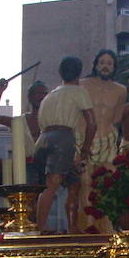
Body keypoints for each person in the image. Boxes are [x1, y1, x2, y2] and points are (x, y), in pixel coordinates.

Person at [35, 56, 97, 233]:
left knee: (73, 182)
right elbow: (92, 124)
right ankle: (42, 226)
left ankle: (73, 226)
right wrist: (85, 148)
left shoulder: (50, 95)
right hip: (62, 138)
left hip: (43, 138)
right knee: (52, 184)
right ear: (79, 73)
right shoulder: (78, 91)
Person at [77, 50, 127, 233]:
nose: (106, 66)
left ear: (114, 67)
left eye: (110, 63)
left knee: (108, 183)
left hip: (108, 141)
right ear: (96, 65)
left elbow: (117, 118)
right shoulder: (82, 85)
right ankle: (87, 226)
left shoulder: (120, 90)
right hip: (87, 140)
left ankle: (107, 227)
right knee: (86, 183)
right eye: (102, 62)